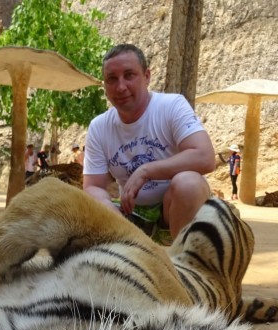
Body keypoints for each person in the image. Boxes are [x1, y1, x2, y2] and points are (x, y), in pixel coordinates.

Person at [83, 43, 215, 238]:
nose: (121, 87)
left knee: (189, 184)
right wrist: (114, 218)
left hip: (173, 208)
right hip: (130, 213)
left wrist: (146, 171)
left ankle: (181, 254)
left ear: (147, 77)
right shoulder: (99, 127)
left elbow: (205, 157)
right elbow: (92, 186)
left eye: (129, 75)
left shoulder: (172, 106)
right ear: (104, 86)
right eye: (112, 79)